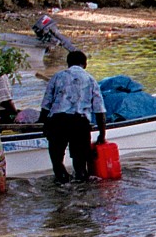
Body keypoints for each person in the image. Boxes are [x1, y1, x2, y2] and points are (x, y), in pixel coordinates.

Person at [39, 50, 107, 182]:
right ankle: (81, 193)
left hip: (58, 122)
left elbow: (46, 105)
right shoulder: (90, 79)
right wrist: (102, 135)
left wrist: (44, 126)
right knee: (80, 164)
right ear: (85, 64)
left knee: (57, 161)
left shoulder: (57, 77)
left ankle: (62, 187)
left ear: (68, 63)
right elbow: (99, 110)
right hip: (80, 123)